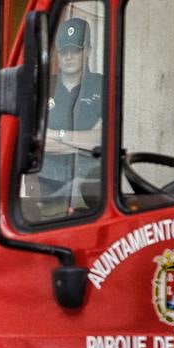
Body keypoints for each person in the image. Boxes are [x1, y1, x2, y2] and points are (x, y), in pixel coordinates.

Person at [37, 18, 104, 212]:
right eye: (64, 50)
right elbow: (37, 141)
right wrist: (81, 142)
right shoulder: (44, 88)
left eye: (75, 50)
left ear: (88, 50)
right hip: (48, 185)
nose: (69, 56)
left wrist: (57, 136)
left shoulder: (103, 86)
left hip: (90, 187)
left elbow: (101, 141)